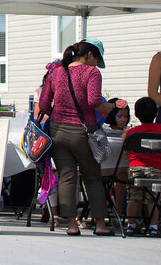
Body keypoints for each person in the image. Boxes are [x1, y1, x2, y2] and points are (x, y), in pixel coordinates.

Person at [35, 40, 115, 236]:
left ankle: (71, 225)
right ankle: (100, 225)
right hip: (82, 131)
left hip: (56, 131)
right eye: (96, 59)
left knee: (67, 176)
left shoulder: (55, 72)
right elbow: (94, 101)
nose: (96, 64)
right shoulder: (91, 73)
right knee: (93, 177)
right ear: (89, 56)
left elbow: (44, 104)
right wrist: (108, 108)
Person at [124, 97, 161, 235]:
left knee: (133, 197)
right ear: (156, 114)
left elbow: (126, 151)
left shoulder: (132, 132)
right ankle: (153, 227)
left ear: (136, 114)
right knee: (153, 198)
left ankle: (131, 224)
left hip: (135, 167)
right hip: (154, 168)